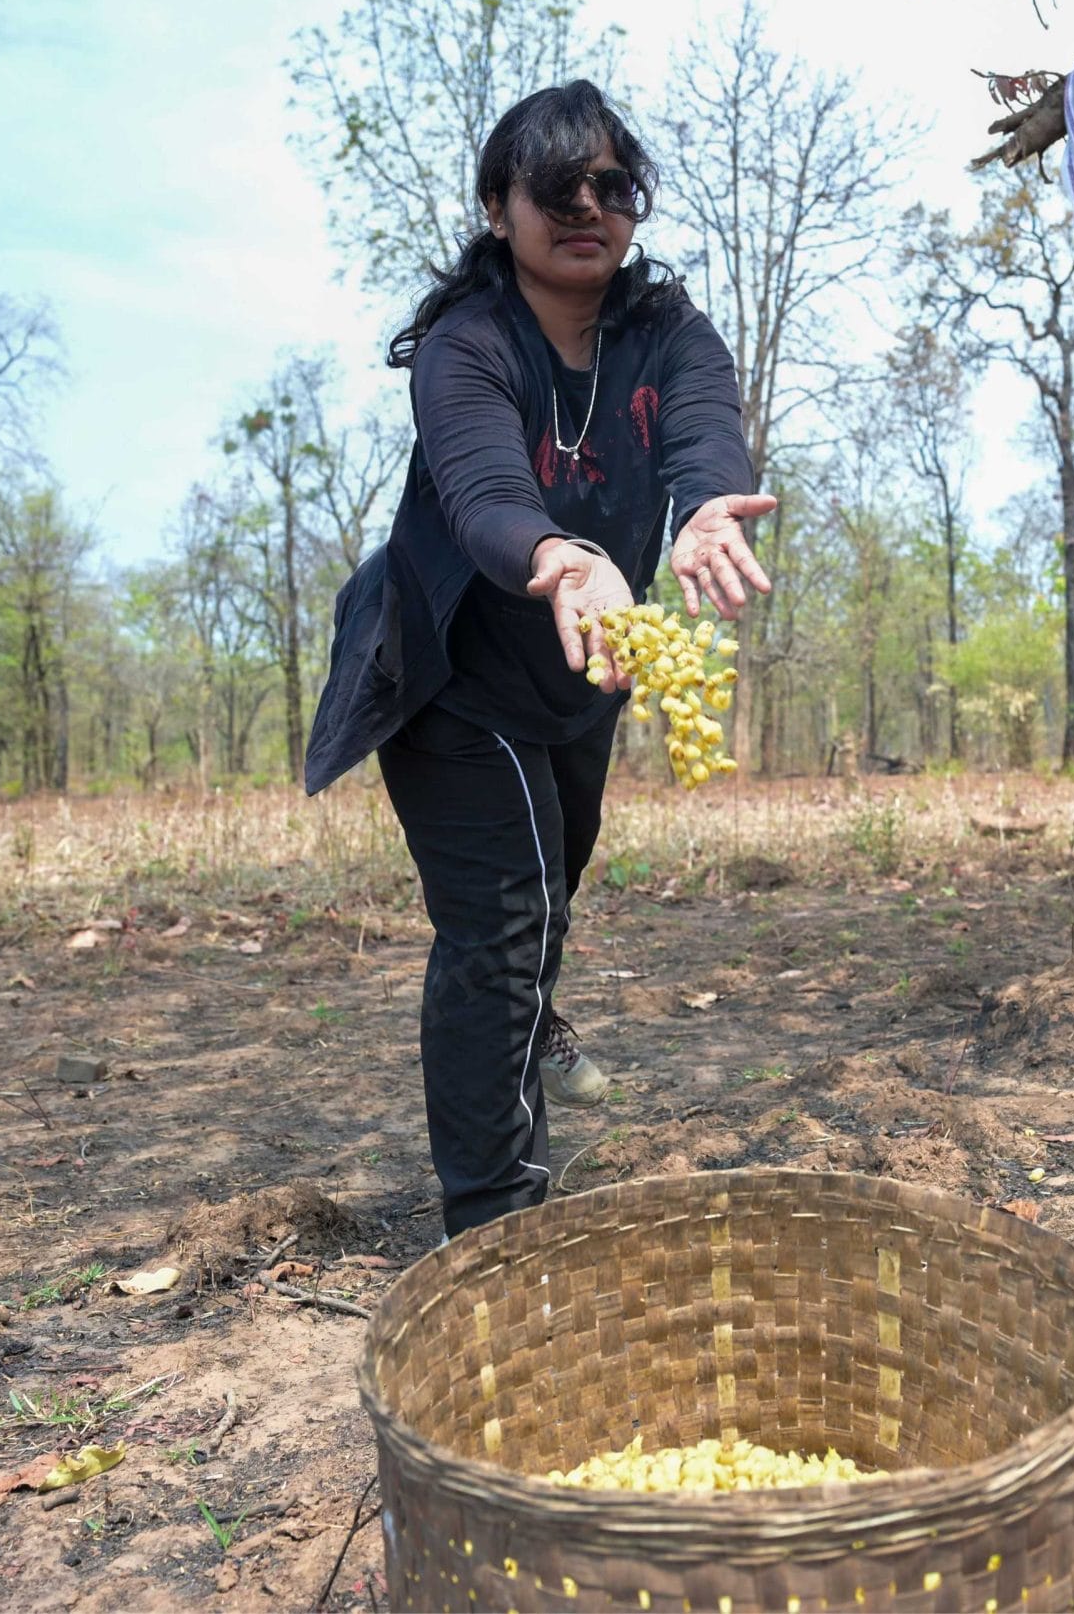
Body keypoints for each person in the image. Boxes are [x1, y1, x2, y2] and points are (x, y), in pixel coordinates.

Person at [303, 81, 775, 1239]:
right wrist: (562, 558)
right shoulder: (468, 345)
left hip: (580, 672)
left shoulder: (667, 331)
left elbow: (705, 432)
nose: (586, 207)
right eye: (555, 187)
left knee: (547, 892)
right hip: (450, 667)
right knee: (501, 923)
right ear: (497, 205)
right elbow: (481, 490)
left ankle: (531, 1009)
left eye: (612, 187)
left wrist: (709, 507)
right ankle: (496, 1226)